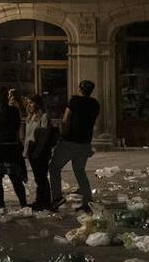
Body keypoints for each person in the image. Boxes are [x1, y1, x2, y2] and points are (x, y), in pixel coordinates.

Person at [49, 79, 99, 213]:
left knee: (54, 168)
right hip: (85, 143)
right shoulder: (95, 104)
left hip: (70, 142)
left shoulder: (74, 101)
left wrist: (63, 134)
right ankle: (87, 201)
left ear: (80, 89)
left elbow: (65, 120)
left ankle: (56, 197)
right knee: (79, 171)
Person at [0, 83, 28, 210]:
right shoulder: (13, 110)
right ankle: (23, 204)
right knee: (15, 177)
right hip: (9, 147)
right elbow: (16, 127)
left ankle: (2, 207)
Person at [24, 94, 55, 210]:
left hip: (40, 149)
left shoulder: (44, 117)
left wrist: (38, 150)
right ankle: (40, 200)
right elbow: (28, 136)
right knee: (38, 177)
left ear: (37, 104)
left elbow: (44, 136)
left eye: (31, 103)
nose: (29, 105)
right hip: (32, 148)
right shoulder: (30, 117)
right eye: (28, 103)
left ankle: (45, 201)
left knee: (41, 176)